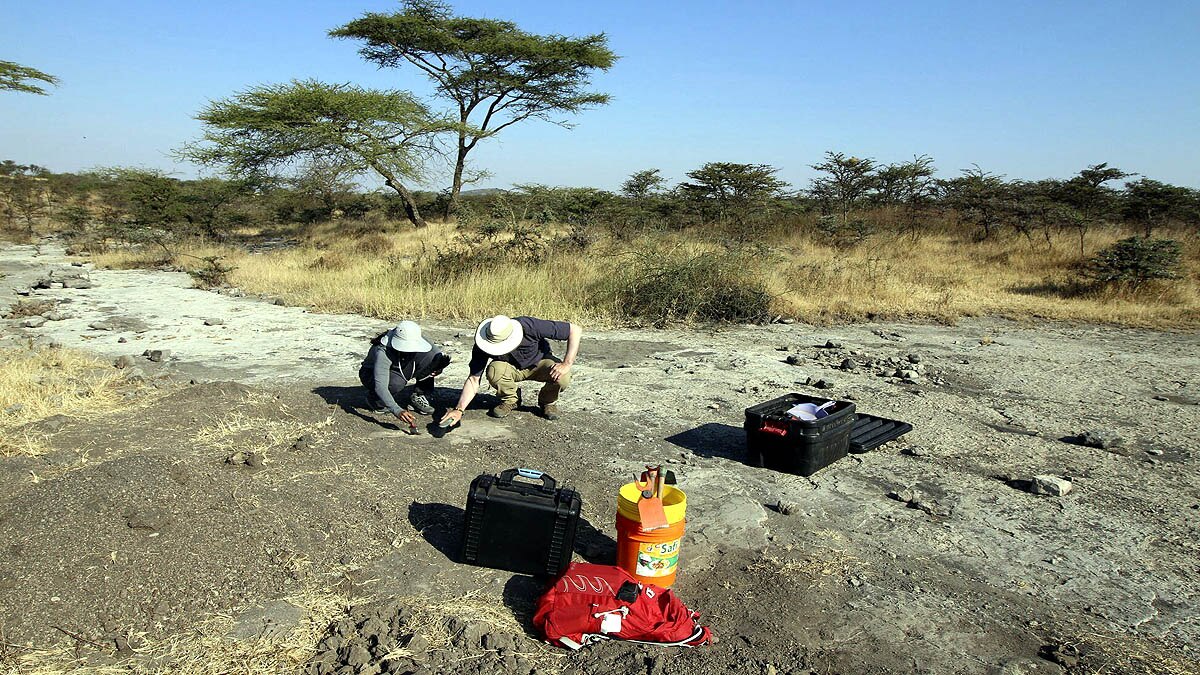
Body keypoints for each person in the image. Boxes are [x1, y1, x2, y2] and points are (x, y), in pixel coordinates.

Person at [441, 315, 581, 426]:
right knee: (494, 370)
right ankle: (511, 399)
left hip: (539, 364)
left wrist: (566, 363)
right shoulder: (483, 342)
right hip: (510, 368)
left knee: (563, 376)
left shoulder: (529, 325)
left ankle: (547, 402)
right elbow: (473, 379)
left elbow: (575, 330)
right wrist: (459, 409)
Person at [358, 321, 450, 426]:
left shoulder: (414, 336)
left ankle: (419, 394)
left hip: (399, 363)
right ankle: (376, 400)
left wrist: (438, 369)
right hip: (370, 374)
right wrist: (396, 410)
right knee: (396, 383)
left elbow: (438, 356)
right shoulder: (383, 351)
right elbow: (380, 386)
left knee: (431, 359)